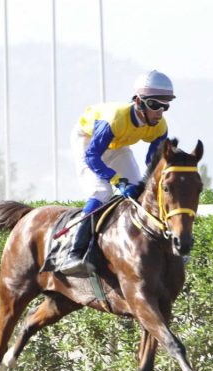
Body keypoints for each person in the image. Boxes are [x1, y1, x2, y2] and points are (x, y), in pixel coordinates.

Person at [59, 70, 175, 275]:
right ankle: (74, 253)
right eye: (155, 105)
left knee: (140, 191)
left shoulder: (160, 127)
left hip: (118, 145)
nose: (160, 112)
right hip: (87, 141)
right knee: (101, 191)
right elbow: (93, 156)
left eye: (165, 106)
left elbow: (152, 162)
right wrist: (116, 179)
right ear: (139, 102)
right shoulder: (115, 119)